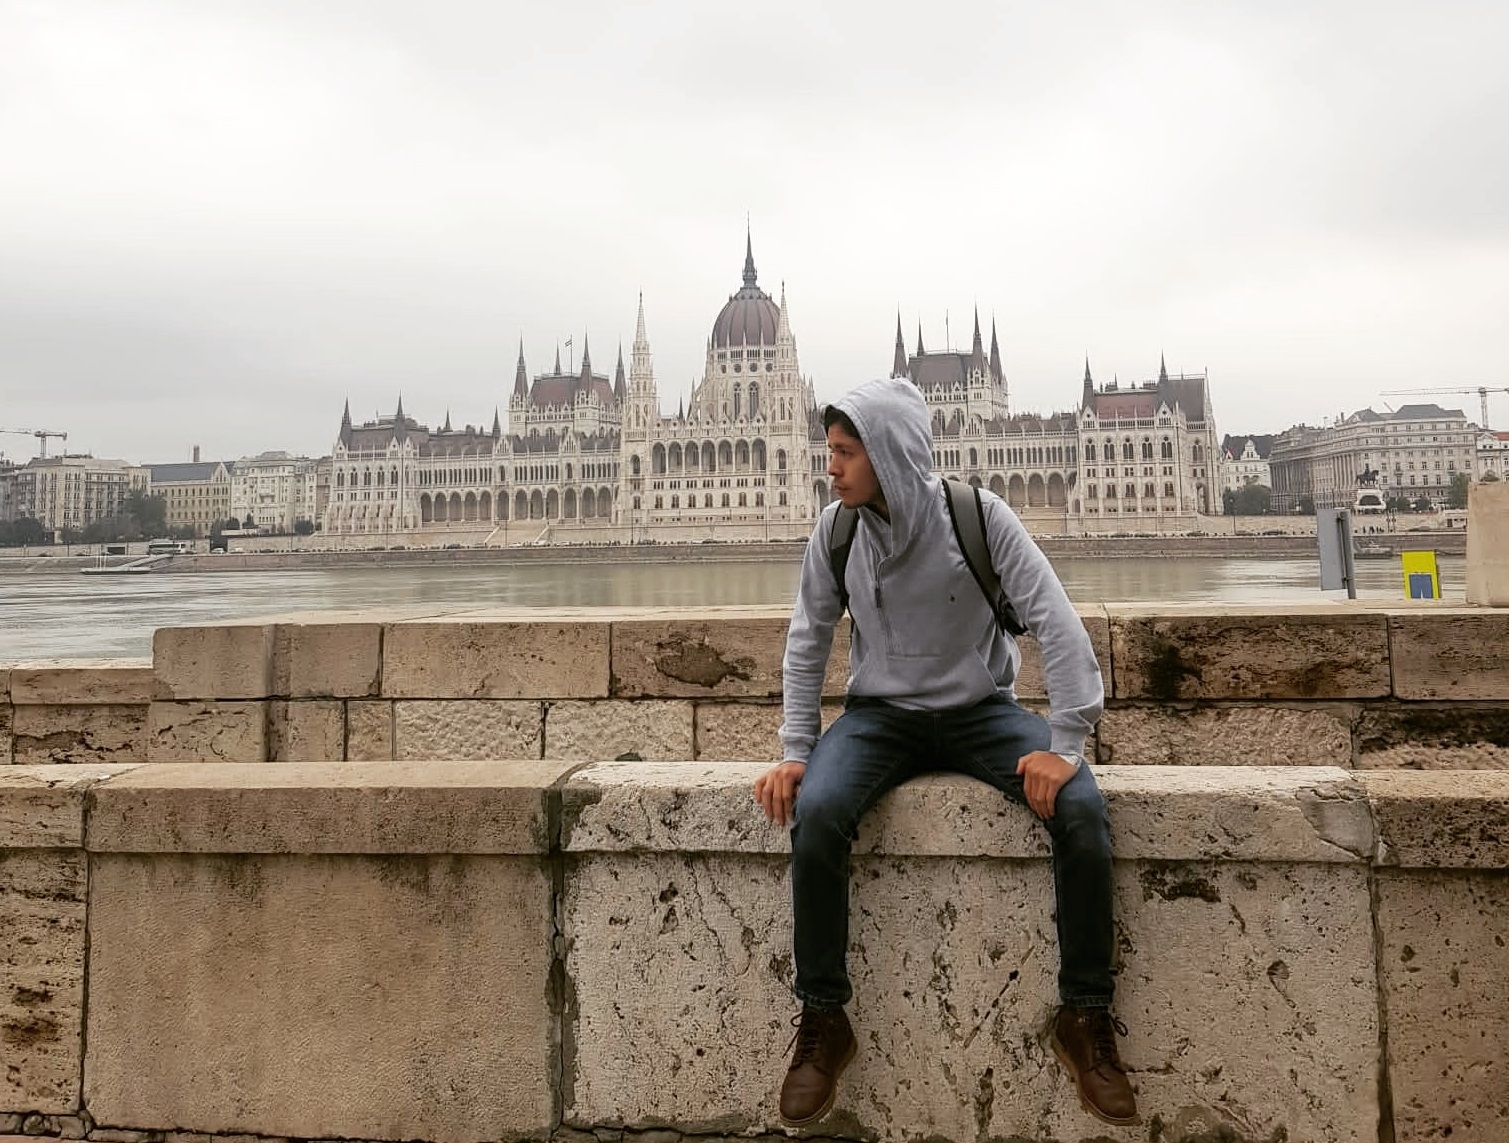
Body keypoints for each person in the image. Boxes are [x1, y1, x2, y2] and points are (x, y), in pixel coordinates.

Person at [754, 376, 1135, 1128]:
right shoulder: (836, 531)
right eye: (830, 450)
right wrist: (797, 749)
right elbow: (806, 642)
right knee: (818, 811)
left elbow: (1057, 625)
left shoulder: (978, 517)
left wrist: (1065, 743)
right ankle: (823, 1018)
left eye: (845, 452)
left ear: (890, 454)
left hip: (978, 711)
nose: (830, 466)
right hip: (879, 717)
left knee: (1081, 808)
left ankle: (1085, 1014)